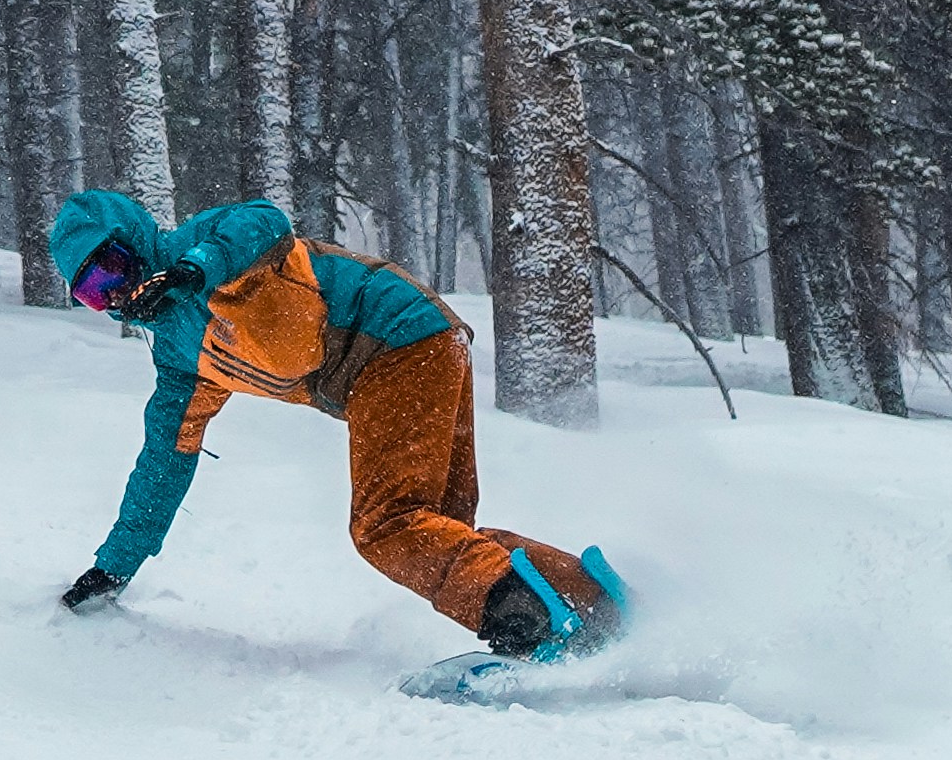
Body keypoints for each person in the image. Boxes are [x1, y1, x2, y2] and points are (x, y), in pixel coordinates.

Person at [48, 188, 621, 658]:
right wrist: (113, 569)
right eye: (94, 293)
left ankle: (527, 618)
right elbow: (164, 461)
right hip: (425, 343)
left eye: (112, 269)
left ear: (135, 243)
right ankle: (591, 602)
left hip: (394, 339)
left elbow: (265, 220)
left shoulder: (200, 247)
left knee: (387, 527)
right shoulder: (178, 361)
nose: (117, 293)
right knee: (437, 528)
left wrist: (193, 271)